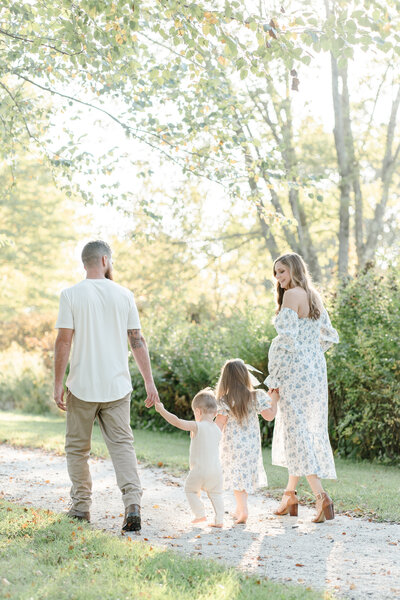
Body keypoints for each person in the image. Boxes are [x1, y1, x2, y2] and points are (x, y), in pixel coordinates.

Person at [53, 240, 159, 532]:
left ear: (85, 262)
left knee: (77, 450)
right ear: (104, 260)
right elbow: (137, 340)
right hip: (117, 387)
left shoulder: (70, 295)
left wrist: (58, 383)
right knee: (123, 446)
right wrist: (149, 382)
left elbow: (63, 341)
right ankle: (133, 505)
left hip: (82, 386)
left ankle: (80, 508)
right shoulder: (124, 295)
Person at [265, 252, 339, 523]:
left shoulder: (291, 296)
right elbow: (329, 335)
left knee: (297, 433)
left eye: (282, 271)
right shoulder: (314, 296)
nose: (279, 278)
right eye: (276, 273)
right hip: (315, 371)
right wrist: (311, 354)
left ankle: (321, 498)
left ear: (294, 269)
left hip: (295, 371)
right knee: (301, 429)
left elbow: (284, 342)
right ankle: (289, 496)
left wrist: (275, 379)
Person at [215, 359, 278, 525]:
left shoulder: (224, 400)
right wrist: (274, 400)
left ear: (226, 379)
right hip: (250, 446)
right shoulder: (256, 396)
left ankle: (243, 510)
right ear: (245, 376)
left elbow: (219, 424)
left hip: (232, 446)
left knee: (237, 476)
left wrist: (210, 438)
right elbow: (269, 416)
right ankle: (239, 509)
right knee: (243, 476)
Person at [155, 389, 224, 528]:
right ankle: (219, 520)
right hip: (216, 471)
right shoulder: (217, 429)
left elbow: (177, 422)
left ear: (198, 411)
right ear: (215, 413)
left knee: (190, 490)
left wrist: (161, 410)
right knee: (216, 494)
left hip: (199, 470)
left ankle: (200, 514)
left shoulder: (197, 426)